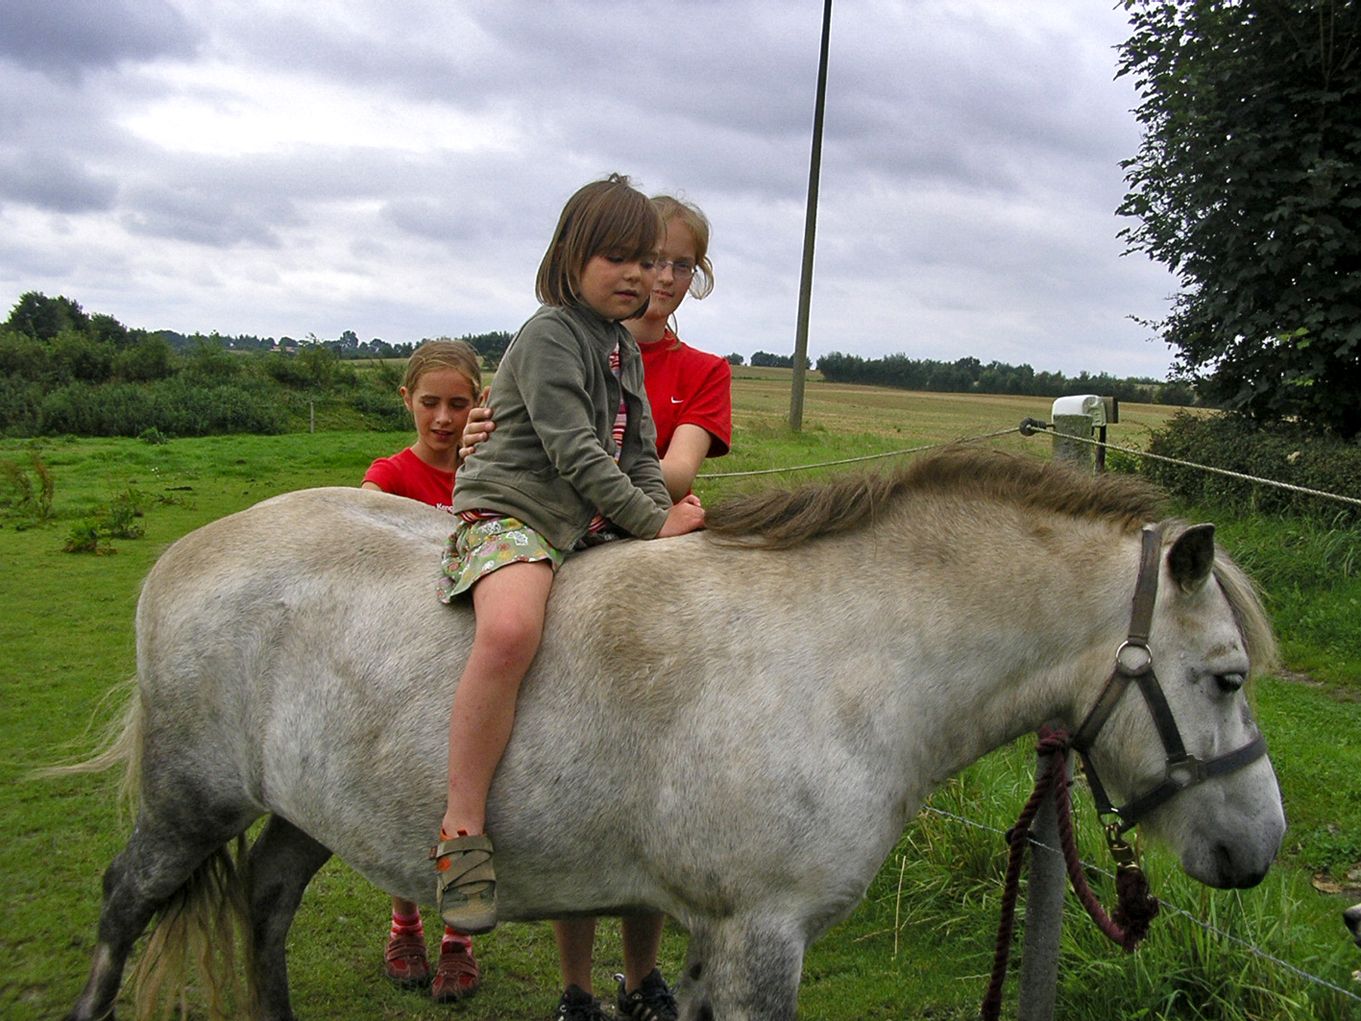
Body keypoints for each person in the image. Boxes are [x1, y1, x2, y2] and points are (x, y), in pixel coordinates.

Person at [430, 174, 707, 1018]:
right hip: (515, 510)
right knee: (511, 630)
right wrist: (646, 523)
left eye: (652, 260)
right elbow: (576, 451)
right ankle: (463, 829)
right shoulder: (551, 335)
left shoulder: (620, 348)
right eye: (617, 255)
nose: (636, 273)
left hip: (585, 523)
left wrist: (664, 517)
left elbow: (637, 454)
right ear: (569, 257)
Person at [360, 338, 487, 1003]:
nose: (443, 418)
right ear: (406, 399)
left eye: (459, 404)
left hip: (469, 657)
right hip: (407, 660)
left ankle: (457, 939)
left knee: (462, 794)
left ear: (478, 405)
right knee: (407, 793)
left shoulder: (489, 471)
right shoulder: (389, 476)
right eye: (431, 402)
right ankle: (404, 923)